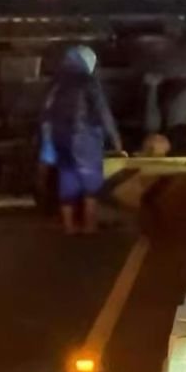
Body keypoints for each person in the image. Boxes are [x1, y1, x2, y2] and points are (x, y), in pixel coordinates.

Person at [42, 45, 124, 234]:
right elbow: (103, 112)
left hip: (60, 137)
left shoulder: (56, 83)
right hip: (85, 137)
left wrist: (47, 140)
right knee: (91, 183)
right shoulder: (88, 82)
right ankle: (89, 225)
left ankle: (69, 226)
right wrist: (115, 138)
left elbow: (46, 112)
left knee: (67, 179)